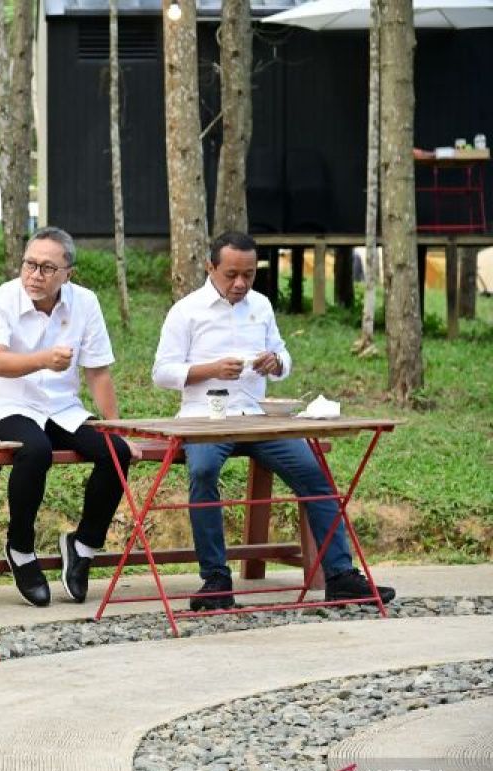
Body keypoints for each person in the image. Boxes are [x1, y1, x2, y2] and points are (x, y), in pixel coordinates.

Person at [152, 231, 396, 611]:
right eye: (231, 274)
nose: (240, 283)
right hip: (206, 418)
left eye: (248, 274)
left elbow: (283, 357)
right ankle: (215, 579)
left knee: (316, 476)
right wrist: (211, 369)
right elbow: (162, 373)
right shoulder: (186, 310)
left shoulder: (260, 306)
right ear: (210, 267)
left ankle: (340, 576)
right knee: (201, 474)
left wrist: (276, 363)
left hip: (258, 417)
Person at [0, 227, 140, 607]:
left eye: (48, 268)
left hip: (62, 410)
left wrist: (117, 428)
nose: (35, 275)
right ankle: (20, 549)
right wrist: (44, 359)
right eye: (29, 264)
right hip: (6, 405)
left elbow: (98, 372)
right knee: (36, 449)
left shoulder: (85, 302)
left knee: (116, 452)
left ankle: (83, 547)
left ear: (68, 274)